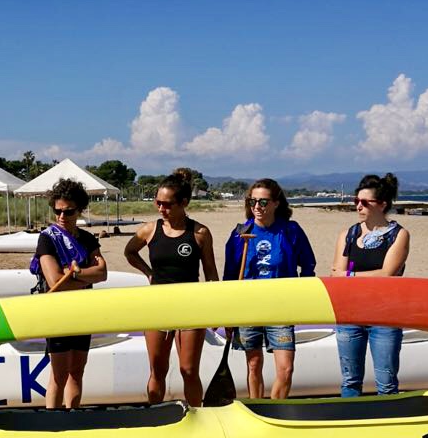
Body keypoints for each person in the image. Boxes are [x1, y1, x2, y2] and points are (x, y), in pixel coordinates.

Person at [124, 169, 218, 406]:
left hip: (190, 307)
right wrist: (148, 272)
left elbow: (211, 273)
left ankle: (197, 416)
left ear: (183, 203)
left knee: (188, 370)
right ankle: (156, 416)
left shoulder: (199, 233)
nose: (161, 209)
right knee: (157, 369)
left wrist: (217, 309)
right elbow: (129, 251)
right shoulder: (149, 229)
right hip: (157, 306)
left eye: (167, 204)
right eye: (158, 202)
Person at [222, 179, 315, 399]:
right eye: (252, 201)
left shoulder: (290, 230)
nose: (257, 207)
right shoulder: (239, 234)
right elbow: (229, 277)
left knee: (286, 369)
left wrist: (302, 295)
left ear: (276, 203)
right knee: (254, 365)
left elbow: (308, 264)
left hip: (281, 307)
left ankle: (276, 409)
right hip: (248, 307)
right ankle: (258, 407)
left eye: (263, 202)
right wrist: (227, 314)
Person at [331, 173, 411, 396]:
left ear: (382, 205)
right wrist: (352, 275)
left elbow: (387, 274)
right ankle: (351, 425)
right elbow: (335, 274)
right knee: (350, 381)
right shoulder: (348, 234)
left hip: (385, 317)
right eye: (356, 201)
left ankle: (387, 427)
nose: (358, 206)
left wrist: (350, 274)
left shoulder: (399, 235)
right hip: (350, 315)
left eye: (365, 202)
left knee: (386, 382)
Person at [30, 179, 108, 409]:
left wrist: (74, 274)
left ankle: (72, 414)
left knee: (77, 371)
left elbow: (102, 272)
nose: (62, 216)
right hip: (57, 313)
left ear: (79, 209)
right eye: (57, 211)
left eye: (68, 211)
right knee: (59, 374)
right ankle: (52, 420)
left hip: (82, 311)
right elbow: (54, 281)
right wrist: (84, 277)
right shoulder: (47, 238)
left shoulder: (87, 238)